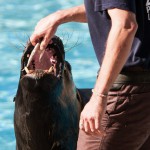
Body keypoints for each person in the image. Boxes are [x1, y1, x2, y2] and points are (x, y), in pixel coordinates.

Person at [30, 0, 150, 149]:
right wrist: (59, 16)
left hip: (128, 91)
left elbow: (125, 25)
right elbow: (112, 9)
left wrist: (99, 96)